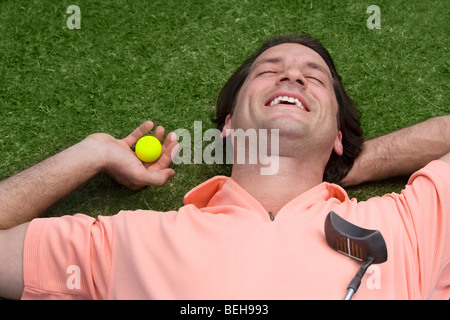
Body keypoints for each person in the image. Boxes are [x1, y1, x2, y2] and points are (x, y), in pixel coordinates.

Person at [0, 35, 448, 300]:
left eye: (314, 77)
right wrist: (91, 152)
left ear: (336, 134)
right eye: (268, 71)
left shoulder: (408, 224)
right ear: (230, 126)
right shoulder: (129, 242)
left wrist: (352, 161)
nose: (292, 76)